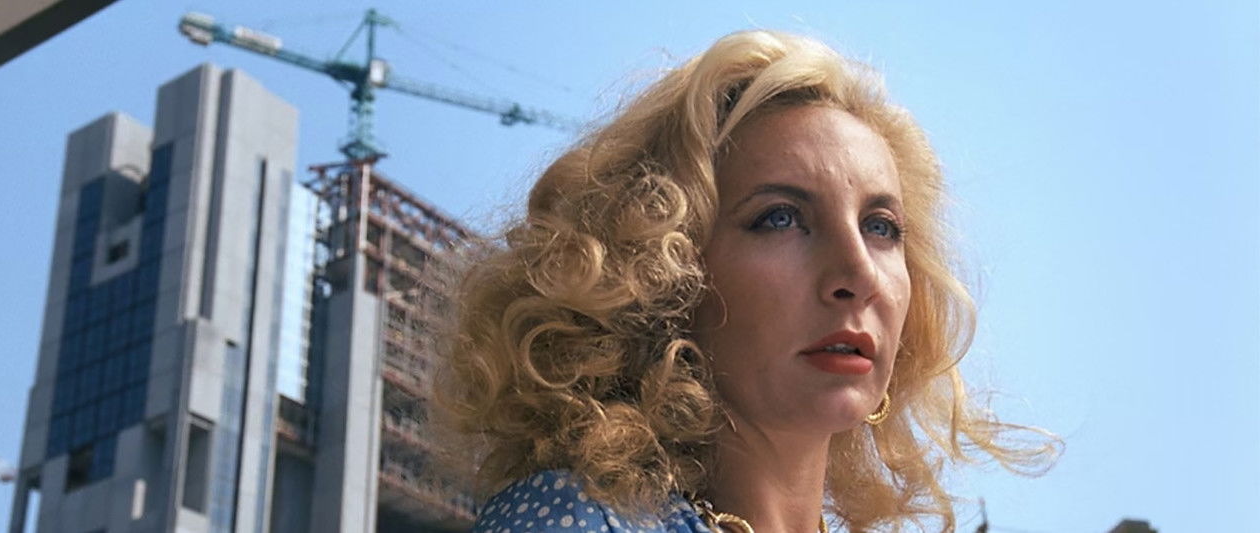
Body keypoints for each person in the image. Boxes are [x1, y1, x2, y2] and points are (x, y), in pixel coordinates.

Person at [432, 30, 1059, 533]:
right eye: (779, 218)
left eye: (880, 227)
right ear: (661, 274)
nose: (858, 273)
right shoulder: (577, 520)